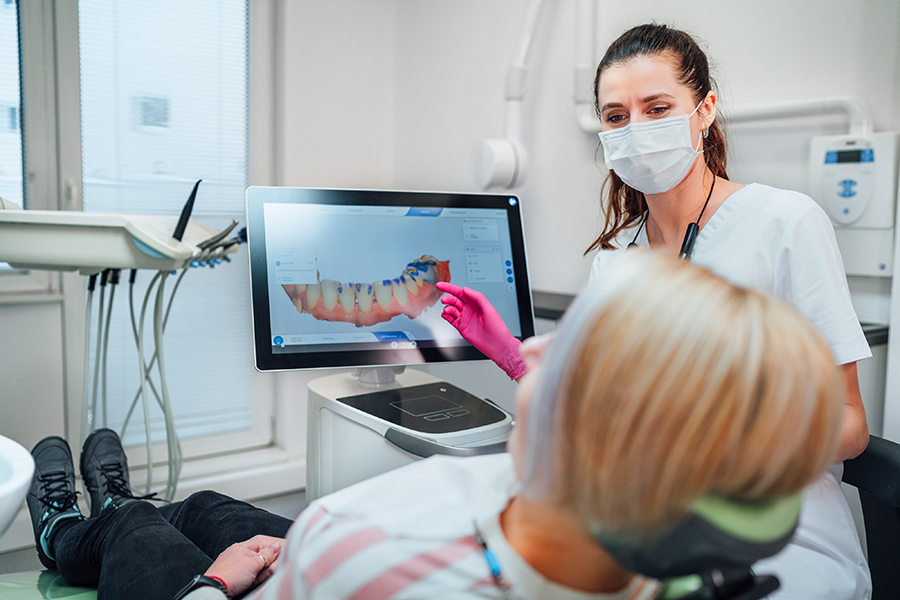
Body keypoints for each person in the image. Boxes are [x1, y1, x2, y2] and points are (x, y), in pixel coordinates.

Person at [27, 252, 842, 600]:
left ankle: (76, 528)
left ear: (586, 442)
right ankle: (113, 514)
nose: (537, 346)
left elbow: (345, 552)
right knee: (204, 507)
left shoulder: (355, 540)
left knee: (144, 524)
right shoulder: (682, 562)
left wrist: (220, 583)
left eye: (571, 350)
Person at [437, 23, 872, 600]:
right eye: (616, 116)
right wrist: (512, 355)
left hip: (775, 529)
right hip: (641, 515)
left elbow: (849, 425)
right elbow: (587, 410)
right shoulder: (616, 260)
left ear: (705, 109)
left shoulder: (785, 222)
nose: (636, 130)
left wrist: (709, 443)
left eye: (657, 107)